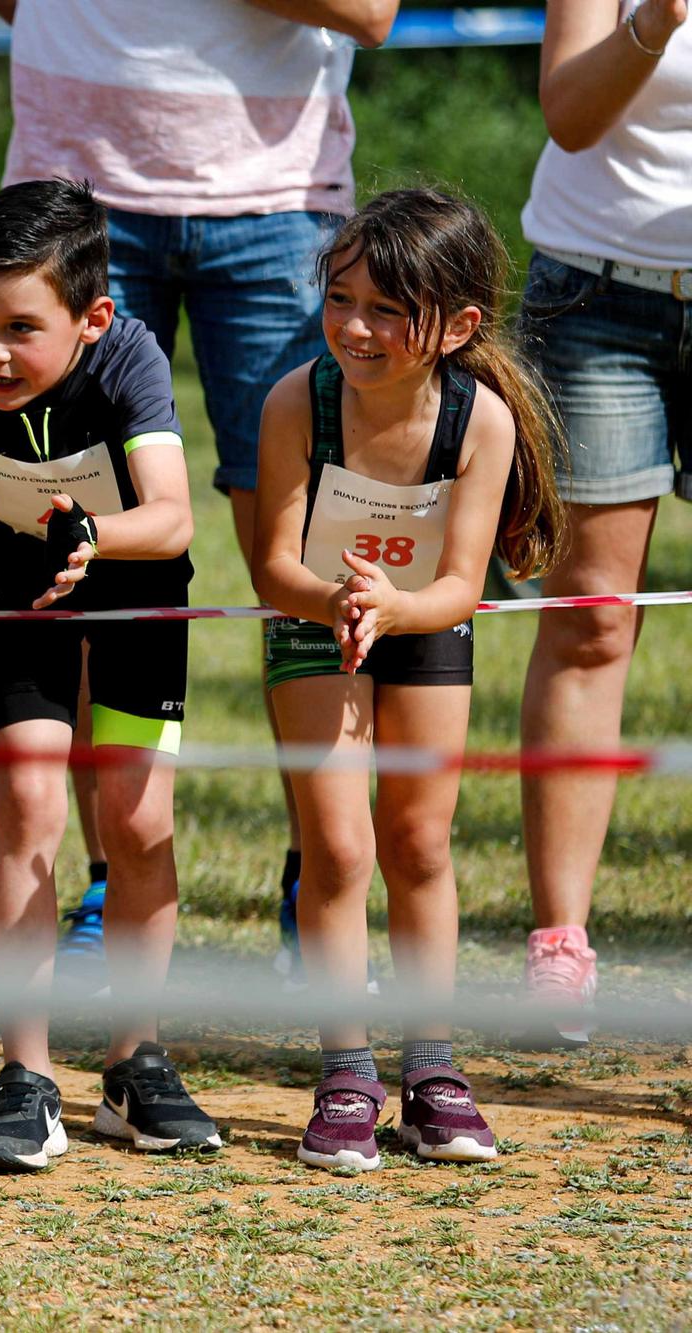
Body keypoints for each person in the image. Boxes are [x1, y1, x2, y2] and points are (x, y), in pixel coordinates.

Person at [0, 0, 400, 981]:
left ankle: (321, 882)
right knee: (74, 544)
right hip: (70, 196)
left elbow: (368, 10)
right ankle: (101, 879)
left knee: (304, 561)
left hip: (274, 200)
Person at [0, 180, 212, 1171]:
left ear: (91, 319)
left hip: (132, 597)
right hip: (24, 602)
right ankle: (23, 1074)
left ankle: (135, 1059)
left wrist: (94, 534)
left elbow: (171, 516)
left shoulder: (127, 359)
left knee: (134, 817)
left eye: (18, 327)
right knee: (27, 801)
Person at [251, 188, 565, 1169]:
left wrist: (393, 606)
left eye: (386, 309)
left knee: (418, 844)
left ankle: (433, 1071)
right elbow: (271, 566)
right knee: (338, 850)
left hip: (422, 623)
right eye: (340, 298)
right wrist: (340, 604)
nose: (354, 326)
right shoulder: (295, 398)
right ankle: (345, 1072)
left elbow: (460, 588)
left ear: (456, 325)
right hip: (313, 622)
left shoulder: (477, 425)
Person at [515, 0, 689, 1045]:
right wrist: (655, 22)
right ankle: (558, 946)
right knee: (588, 621)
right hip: (595, 301)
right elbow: (568, 117)